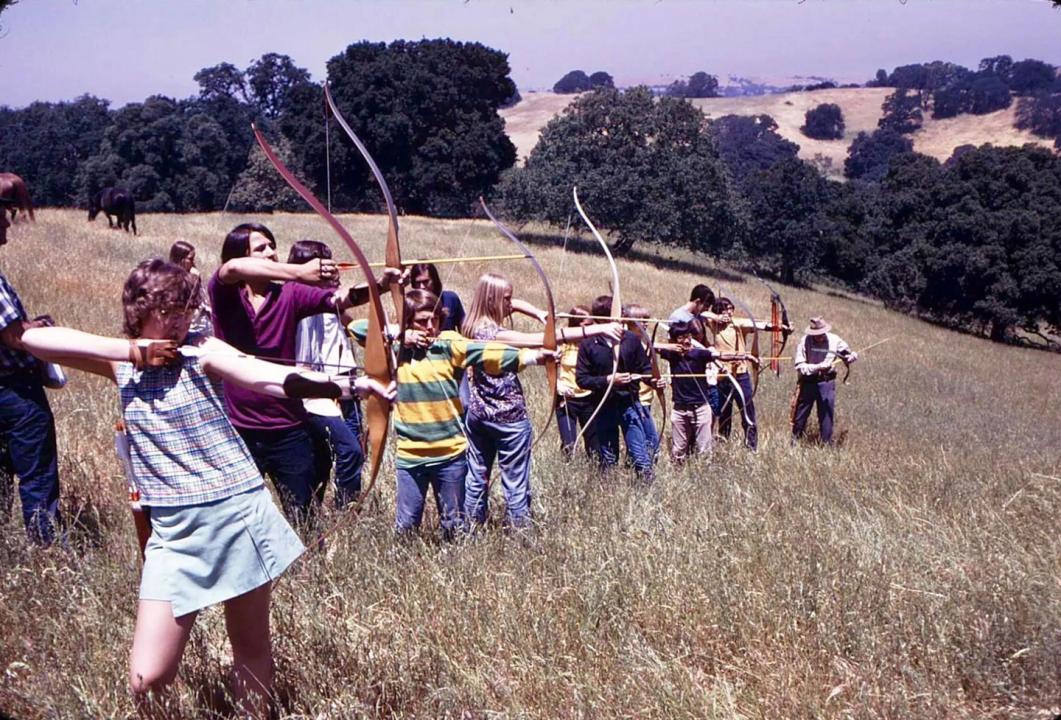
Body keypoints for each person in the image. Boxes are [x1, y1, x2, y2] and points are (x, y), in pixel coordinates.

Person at [19, 259, 393, 718]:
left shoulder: (203, 349)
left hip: (235, 512)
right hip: (174, 532)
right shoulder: (121, 363)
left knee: (251, 649)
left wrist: (349, 385)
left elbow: (266, 375)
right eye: (166, 309)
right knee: (146, 677)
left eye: (184, 308)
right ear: (139, 311)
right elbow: (35, 340)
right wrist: (133, 351)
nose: (178, 319)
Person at [208, 222, 400, 527]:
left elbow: (340, 300)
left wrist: (380, 285)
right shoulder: (226, 294)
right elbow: (231, 269)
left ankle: (310, 573)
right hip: (239, 429)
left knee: (304, 517)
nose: (271, 252)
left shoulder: (290, 294)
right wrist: (297, 271)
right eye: (261, 248)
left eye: (273, 246)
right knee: (238, 521)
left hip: (288, 428)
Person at [352, 288, 555, 538]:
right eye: (422, 321)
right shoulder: (394, 350)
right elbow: (359, 329)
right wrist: (401, 335)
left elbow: (486, 351)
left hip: (450, 453)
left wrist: (533, 356)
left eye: (434, 319)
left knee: (455, 527)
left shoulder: (449, 343)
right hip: (411, 455)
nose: (430, 327)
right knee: (406, 526)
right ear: (407, 322)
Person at [461, 274, 619, 529]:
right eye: (507, 299)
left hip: (479, 416)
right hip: (509, 419)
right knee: (515, 481)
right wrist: (598, 328)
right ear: (492, 299)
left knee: (477, 477)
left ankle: (469, 529)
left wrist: (538, 313)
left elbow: (517, 307)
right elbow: (542, 339)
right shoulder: (491, 332)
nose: (511, 304)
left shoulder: (471, 323)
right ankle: (521, 533)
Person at [0, 200, 62, 545]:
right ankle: (47, 546)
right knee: (36, 472)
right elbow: (12, 335)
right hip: (15, 391)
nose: (7, 224)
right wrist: (41, 330)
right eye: (1, 219)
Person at [288, 240, 366, 509]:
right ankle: (336, 508)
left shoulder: (329, 299)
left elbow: (347, 318)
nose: (330, 267)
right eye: (323, 263)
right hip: (317, 389)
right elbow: (304, 361)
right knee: (346, 451)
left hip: (344, 380)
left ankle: (344, 507)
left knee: (350, 449)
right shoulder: (300, 304)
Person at [575, 295, 660, 483]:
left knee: (640, 455)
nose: (622, 316)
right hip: (602, 405)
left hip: (629, 404)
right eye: (618, 313)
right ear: (606, 317)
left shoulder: (631, 339)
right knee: (608, 458)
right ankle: (609, 495)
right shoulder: (589, 344)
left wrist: (654, 381)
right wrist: (609, 380)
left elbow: (645, 369)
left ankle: (646, 490)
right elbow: (582, 379)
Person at [659, 320, 755, 464]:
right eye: (680, 338)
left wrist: (744, 356)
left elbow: (721, 355)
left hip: (701, 408)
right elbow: (648, 346)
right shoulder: (671, 355)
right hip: (680, 409)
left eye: (688, 336)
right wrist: (671, 347)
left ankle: (704, 477)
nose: (686, 340)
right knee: (678, 451)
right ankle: (678, 477)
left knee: (704, 452)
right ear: (673, 340)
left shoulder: (699, 354)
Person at [705, 297, 762, 450]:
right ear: (718, 311)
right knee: (724, 412)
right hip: (723, 375)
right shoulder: (714, 324)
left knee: (747, 410)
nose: (729, 312)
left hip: (741, 374)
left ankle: (751, 447)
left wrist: (779, 327)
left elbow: (759, 325)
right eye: (725, 309)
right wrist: (716, 317)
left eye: (731, 308)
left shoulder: (738, 324)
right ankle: (723, 443)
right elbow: (701, 315)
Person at [792, 316, 857, 445]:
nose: (820, 337)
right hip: (808, 382)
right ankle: (794, 444)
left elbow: (846, 353)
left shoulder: (834, 339)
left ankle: (826, 446)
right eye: (817, 334)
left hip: (826, 382)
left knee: (826, 417)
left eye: (822, 334)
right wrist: (818, 367)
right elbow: (799, 366)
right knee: (800, 416)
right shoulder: (805, 341)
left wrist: (851, 356)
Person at [556, 306, 595, 458]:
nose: (591, 329)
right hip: (566, 399)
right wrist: (558, 386)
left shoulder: (594, 344)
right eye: (587, 325)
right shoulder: (563, 343)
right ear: (576, 324)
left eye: (592, 325)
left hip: (590, 398)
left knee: (594, 447)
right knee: (568, 445)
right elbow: (551, 368)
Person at [624, 304, 661, 462]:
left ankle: (633, 466)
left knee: (641, 439)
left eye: (647, 319)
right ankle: (642, 469)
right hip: (635, 399)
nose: (645, 323)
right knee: (650, 442)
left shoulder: (646, 341)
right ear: (629, 322)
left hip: (646, 397)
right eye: (641, 320)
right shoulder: (625, 343)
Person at [168, 240, 212, 336]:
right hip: (190, 327)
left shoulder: (193, 274)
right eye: (190, 259)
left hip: (203, 322)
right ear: (181, 259)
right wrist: (193, 282)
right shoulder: (172, 279)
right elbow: (189, 303)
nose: (193, 262)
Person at [409, 262, 465, 332]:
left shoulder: (451, 299)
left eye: (426, 281)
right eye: (418, 283)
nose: (422, 287)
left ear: (435, 280)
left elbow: (463, 329)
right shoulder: (410, 304)